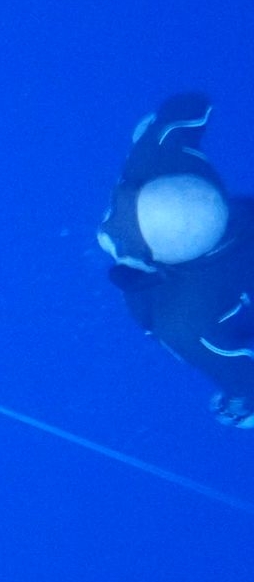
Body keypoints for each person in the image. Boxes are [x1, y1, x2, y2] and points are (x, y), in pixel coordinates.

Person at [98, 92, 254, 428]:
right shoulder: (161, 157)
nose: (108, 231)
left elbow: (242, 373)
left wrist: (244, 402)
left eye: (131, 246)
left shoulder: (186, 323)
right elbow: (189, 107)